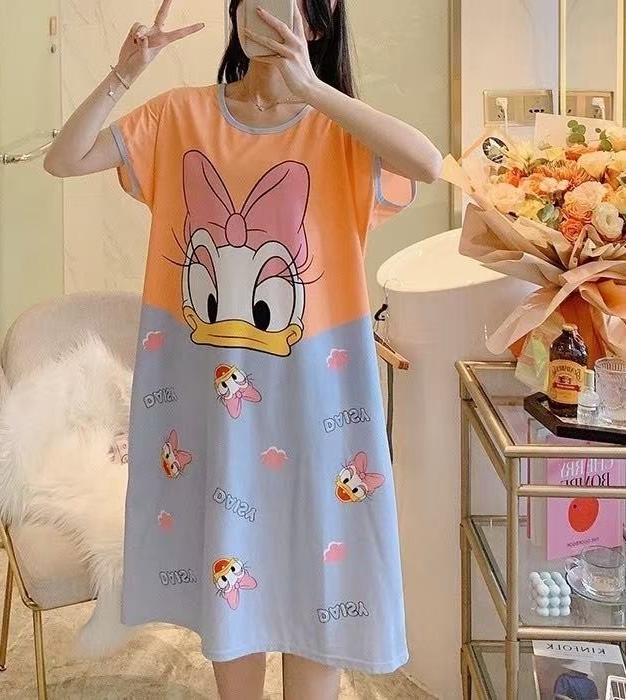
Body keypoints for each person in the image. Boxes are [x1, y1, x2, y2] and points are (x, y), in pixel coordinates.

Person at [45, 1, 442, 698]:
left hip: (317, 407)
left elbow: (429, 164)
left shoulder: (339, 130)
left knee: (318, 590)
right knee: (233, 599)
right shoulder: (181, 116)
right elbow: (63, 158)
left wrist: (313, 88)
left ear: (315, 23)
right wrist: (124, 72)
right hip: (215, 411)